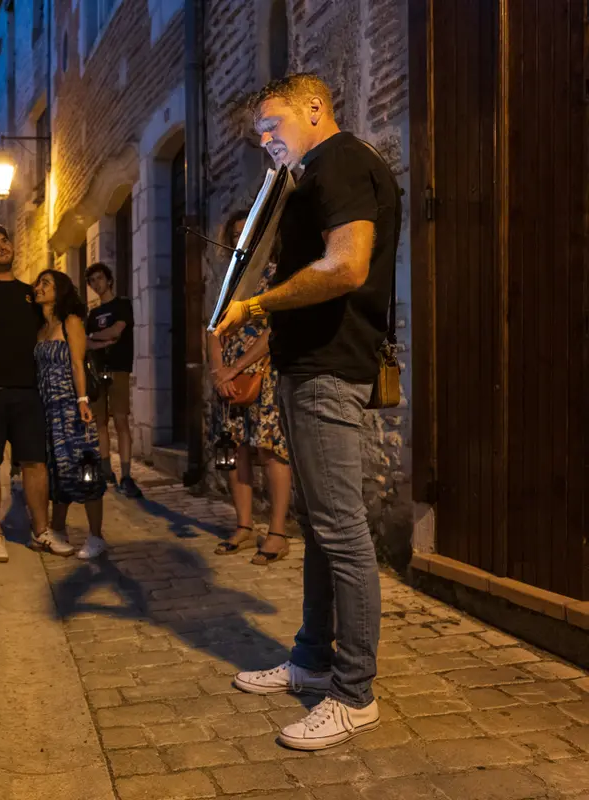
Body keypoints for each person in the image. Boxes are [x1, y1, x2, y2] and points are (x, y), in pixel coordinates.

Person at [215, 73, 401, 751]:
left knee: (342, 532)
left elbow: (346, 269)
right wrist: (258, 347)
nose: (265, 142)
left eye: (272, 127)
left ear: (316, 110)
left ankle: (353, 693)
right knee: (321, 529)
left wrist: (256, 305)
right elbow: (312, 286)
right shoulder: (309, 175)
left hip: (330, 369)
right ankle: (312, 660)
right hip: (305, 366)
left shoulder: (342, 164)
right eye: (259, 133)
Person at [0, 223, 71, 563]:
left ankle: (41, 532)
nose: (2, 247)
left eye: (4, 240)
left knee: (36, 464)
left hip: (29, 393)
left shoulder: (30, 294)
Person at [209, 210, 291, 565]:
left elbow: (276, 329)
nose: (242, 242)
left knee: (270, 450)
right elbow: (212, 329)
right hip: (229, 375)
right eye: (236, 236)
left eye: (248, 233)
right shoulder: (228, 282)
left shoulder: (276, 276)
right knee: (236, 448)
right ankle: (244, 526)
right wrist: (219, 371)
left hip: (264, 371)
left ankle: (277, 532)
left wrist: (237, 368)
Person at [33, 270, 109, 559]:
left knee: (85, 469)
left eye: (46, 284)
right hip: (48, 409)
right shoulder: (40, 329)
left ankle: (96, 535)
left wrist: (82, 401)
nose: (39, 287)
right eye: (38, 283)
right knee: (57, 471)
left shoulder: (71, 322)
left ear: (60, 291)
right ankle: (59, 529)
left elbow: (78, 364)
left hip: (71, 406)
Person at [84, 263, 143, 499]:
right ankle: (106, 469)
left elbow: (116, 331)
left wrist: (99, 338)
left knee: (120, 421)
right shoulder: (93, 314)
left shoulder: (122, 305)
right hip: (98, 372)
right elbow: (85, 343)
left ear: (109, 280)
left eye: (100, 279)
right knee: (100, 423)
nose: (97, 284)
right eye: (92, 281)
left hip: (118, 369)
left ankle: (126, 475)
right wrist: (101, 340)